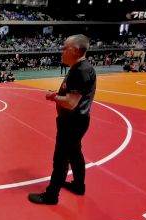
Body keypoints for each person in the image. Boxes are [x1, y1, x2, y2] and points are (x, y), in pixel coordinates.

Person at [28, 34, 97, 205]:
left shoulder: (79, 71)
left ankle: (52, 195)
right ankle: (79, 185)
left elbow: (71, 103)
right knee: (75, 154)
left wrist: (52, 97)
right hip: (78, 120)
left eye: (64, 48)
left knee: (61, 158)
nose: (62, 51)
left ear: (74, 50)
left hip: (72, 122)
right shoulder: (83, 68)